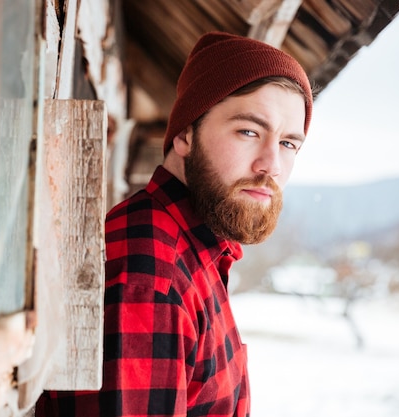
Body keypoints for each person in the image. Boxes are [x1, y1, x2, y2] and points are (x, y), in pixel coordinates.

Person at [36, 31, 313, 416]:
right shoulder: (150, 274)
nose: (272, 164)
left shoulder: (199, 251)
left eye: (288, 144)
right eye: (249, 131)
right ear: (185, 134)